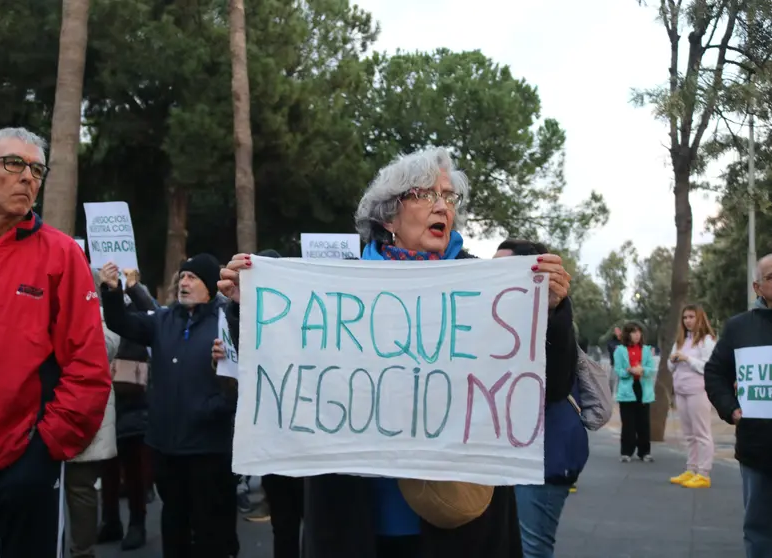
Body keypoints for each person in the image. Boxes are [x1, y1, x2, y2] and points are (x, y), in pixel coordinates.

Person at [219, 148, 573, 557]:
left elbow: (554, 386)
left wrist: (556, 311)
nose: (442, 206)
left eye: (449, 197)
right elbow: (277, 368)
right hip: (354, 520)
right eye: (425, 194)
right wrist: (246, 306)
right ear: (388, 215)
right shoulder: (334, 287)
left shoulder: (488, 285)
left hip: (459, 527)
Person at [0, 127, 112, 558]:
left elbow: (89, 367)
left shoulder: (62, 254)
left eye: (37, 169)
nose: (28, 177)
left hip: (26, 463)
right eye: (14, 164)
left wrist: (45, 451)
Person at [101, 254, 239, 558]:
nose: (184, 283)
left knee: (210, 531)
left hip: (208, 447)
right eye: (182, 277)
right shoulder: (163, 320)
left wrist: (217, 400)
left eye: (193, 278)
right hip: (166, 447)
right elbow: (121, 322)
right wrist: (112, 291)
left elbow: (242, 374)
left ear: (209, 287)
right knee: (173, 524)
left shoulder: (225, 321)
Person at [495, 239, 583, 558]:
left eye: (502, 267)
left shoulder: (552, 315)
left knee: (531, 548)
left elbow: (556, 385)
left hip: (547, 458)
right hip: (514, 455)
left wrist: (554, 306)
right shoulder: (497, 321)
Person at [217, 249, 304, 558]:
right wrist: (241, 304)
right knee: (284, 526)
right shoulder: (253, 320)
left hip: (315, 446)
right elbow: (243, 344)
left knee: (320, 529)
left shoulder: (307, 316)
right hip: (277, 442)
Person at [705, 253, 772, 558]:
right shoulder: (740, 328)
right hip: (758, 446)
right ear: (758, 288)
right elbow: (715, 372)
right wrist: (730, 409)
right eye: (771, 278)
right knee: (759, 529)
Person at [98, 268, 158, 550]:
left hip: (135, 396)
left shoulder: (137, 303)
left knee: (135, 467)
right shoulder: (97, 304)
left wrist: (134, 287)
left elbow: (151, 317)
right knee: (107, 465)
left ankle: (137, 523)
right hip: (105, 394)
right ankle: (110, 520)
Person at [65, 270, 122, 558]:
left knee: (81, 489)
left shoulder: (102, 315)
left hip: (84, 417)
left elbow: (105, 347)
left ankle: (82, 551)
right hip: (48, 414)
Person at [666, 304, 716, 488]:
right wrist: (673, 360)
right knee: (688, 434)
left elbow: (709, 366)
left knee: (702, 432)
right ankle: (691, 468)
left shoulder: (707, 340)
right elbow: (670, 366)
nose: (687, 321)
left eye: (691, 317)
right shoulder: (681, 341)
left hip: (698, 390)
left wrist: (688, 359)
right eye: (685, 317)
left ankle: (704, 473)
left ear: (699, 318)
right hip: (681, 390)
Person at [613, 322, 657, 463]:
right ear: (627, 334)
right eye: (633, 332)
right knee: (628, 422)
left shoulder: (646, 350)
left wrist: (642, 370)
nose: (637, 335)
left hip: (643, 388)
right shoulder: (620, 351)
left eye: (639, 332)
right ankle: (626, 452)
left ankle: (644, 452)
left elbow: (651, 368)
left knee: (643, 422)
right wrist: (629, 371)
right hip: (627, 390)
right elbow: (618, 370)